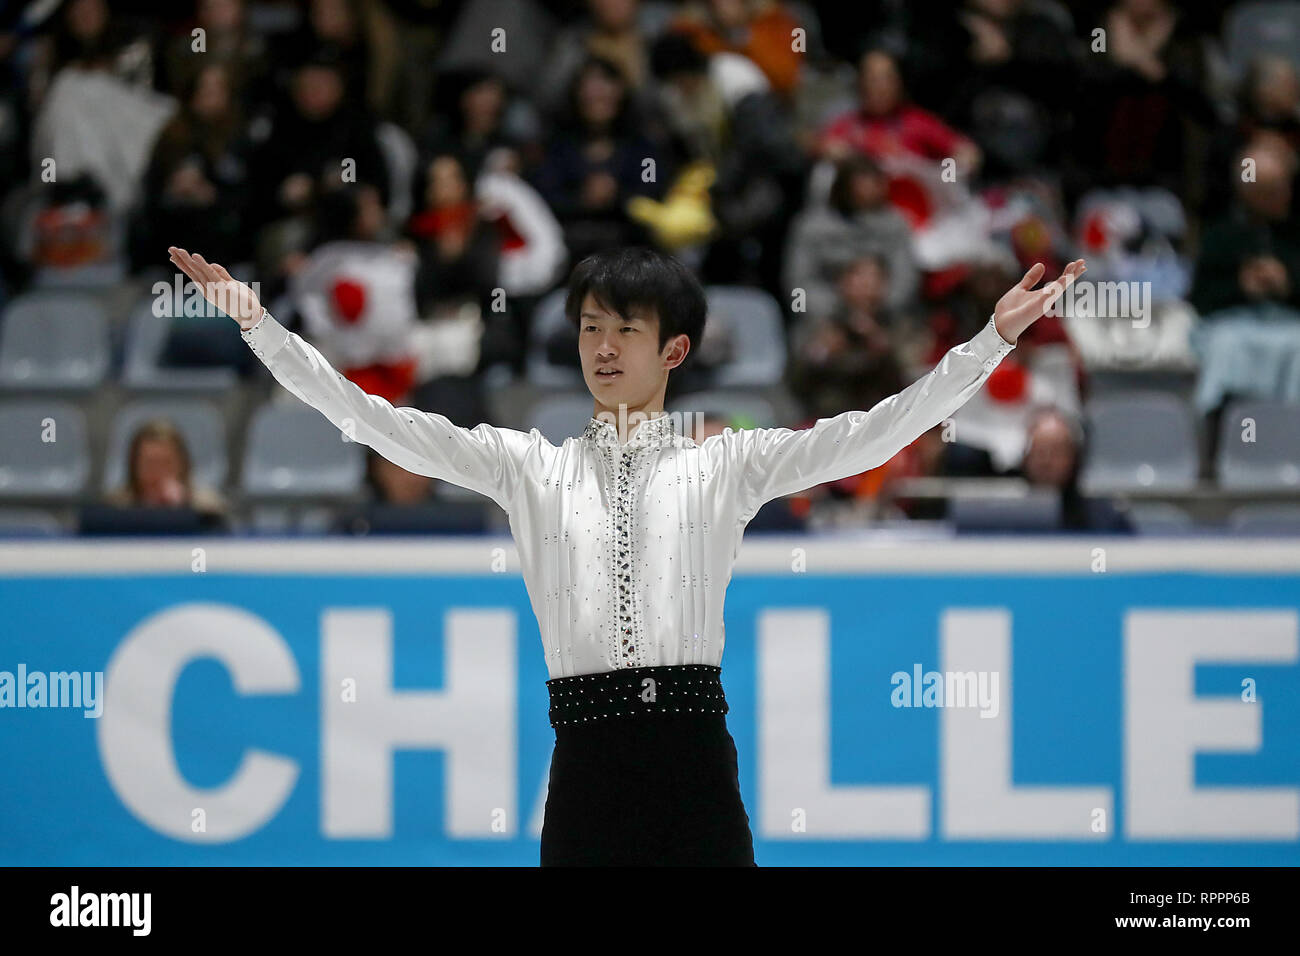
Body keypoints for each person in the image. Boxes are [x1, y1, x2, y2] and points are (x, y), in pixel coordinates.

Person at [167, 242, 1084, 866]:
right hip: (586, 761)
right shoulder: (525, 467)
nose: (601, 348)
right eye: (589, 328)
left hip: (692, 755)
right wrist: (261, 329)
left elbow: (877, 433)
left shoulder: (728, 462)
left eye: (625, 331)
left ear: (674, 348)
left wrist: (990, 342)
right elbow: (372, 421)